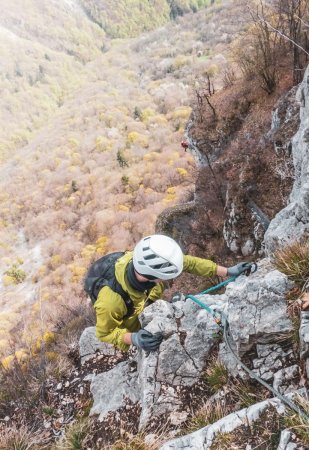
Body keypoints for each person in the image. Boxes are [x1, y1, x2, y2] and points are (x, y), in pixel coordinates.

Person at [94, 234, 252, 353]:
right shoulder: (111, 303)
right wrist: (133, 339)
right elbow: (104, 333)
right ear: (151, 276)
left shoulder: (145, 263)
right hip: (129, 319)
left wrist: (228, 271)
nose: (169, 280)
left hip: (147, 298)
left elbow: (190, 263)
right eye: (165, 277)